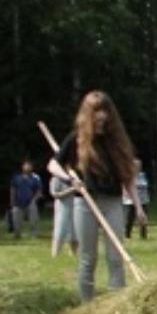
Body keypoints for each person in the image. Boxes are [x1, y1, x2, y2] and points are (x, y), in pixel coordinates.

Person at [46, 91, 144, 302]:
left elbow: (128, 177)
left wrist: (138, 207)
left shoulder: (116, 141)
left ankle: (116, 304)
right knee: (88, 259)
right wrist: (69, 179)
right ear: (88, 113)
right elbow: (53, 164)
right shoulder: (76, 139)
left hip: (113, 203)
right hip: (86, 204)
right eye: (97, 111)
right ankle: (86, 307)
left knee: (115, 256)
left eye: (105, 110)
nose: (102, 116)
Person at [8, 161, 43, 239]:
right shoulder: (16, 178)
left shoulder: (35, 178)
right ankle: (17, 235)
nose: (28, 167)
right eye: (26, 165)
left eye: (29, 166)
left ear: (32, 168)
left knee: (33, 220)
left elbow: (39, 191)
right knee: (16, 221)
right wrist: (12, 201)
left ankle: (34, 235)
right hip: (17, 202)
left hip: (30, 202)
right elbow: (12, 189)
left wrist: (34, 200)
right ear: (22, 167)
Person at [121, 159, 150, 239]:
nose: (138, 167)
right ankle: (127, 235)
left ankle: (143, 235)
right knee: (129, 219)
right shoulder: (128, 175)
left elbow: (145, 186)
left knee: (143, 218)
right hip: (130, 202)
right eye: (136, 166)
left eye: (139, 166)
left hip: (143, 200)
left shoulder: (142, 175)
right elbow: (124, 187)